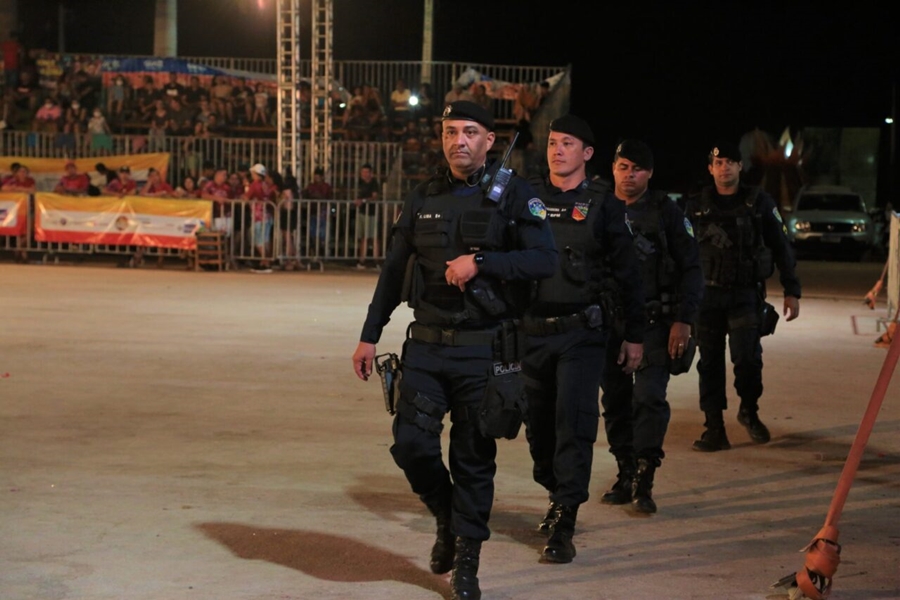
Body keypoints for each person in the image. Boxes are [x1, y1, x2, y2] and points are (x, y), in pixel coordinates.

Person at [351, 101, 557, 600]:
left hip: (483, 350)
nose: (458, 141)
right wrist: (369, 334)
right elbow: (393, 270)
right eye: (449, 132)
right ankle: (444, 513)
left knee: (473, 460)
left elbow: (544, 258)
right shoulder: (422, 197)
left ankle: (467, 562)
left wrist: (481, 262)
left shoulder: (513, 196)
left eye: (470, 132)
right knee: (411, 445)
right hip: (425, 347)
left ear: (489, 140)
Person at [520, 115, 644, 564]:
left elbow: (629, 275)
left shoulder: (603, 204)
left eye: (567, 143)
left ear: (587, 154)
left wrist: (633, 336)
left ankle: (564, 520)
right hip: (531, 333)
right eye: (553, 143)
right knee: (539, 436)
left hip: (581, 334)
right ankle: (557, 493)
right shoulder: (527, 196)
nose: (557, 150)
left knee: (573, 424)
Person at [598, 140, 704, 515]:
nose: (630, 175)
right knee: (615, 402)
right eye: (624, 166)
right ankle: (625, 470)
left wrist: (684, 320)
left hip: (656, 322)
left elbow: (692, 267)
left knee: (648, 398)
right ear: (613, 167)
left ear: (650, 173)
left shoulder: (666, 212)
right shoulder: (598, 206)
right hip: (608, 323)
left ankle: (645, 474)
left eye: (638, 169)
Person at [684, 141, 801, 452]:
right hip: (705, 298)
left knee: (747, 360)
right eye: (718, 162)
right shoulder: (695, 206)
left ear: (740, 167)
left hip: (744, 295)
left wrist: (792, 291)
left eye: (730, 162)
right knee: (709, 363)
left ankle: (749, 410)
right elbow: (678, 254)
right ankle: (714, 428)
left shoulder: (758, 202)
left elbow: (781, 247)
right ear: (710, 168)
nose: (724, 168)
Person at [353, 163, 382, 269]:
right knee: (363, 237)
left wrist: (363, 201)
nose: (364, 174)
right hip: (362, 212)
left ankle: (375, 261)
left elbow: (374, 197)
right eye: (363, 172)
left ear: (371, 173)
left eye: (366, 172)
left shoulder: (374, 183)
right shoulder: (361, 183)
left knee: (373, 237)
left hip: (371, 213)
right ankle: (362, 260)